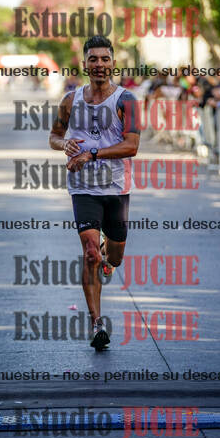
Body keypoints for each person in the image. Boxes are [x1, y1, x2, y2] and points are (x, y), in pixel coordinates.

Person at [49, 35, 140, 350]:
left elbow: (132, 146)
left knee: (114, 257)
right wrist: (65, 144)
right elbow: (54, 136)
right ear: (84, 64)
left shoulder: (127, 100)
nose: (99, 64)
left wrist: (93, 154)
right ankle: (97, 323)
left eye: (104, 59)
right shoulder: (70, 100)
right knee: (90, 254)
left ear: (113, 63)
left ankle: (105, 253)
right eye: (93, 59)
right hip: (83, 187)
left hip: (116, 187)